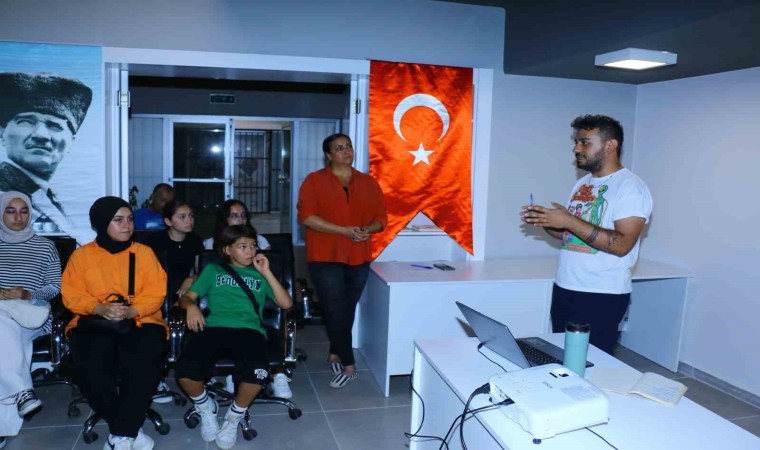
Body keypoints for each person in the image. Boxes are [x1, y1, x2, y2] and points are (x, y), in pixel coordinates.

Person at [520, 115, 652, 354]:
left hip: (601, 294)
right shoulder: (584, 184)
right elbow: (571, 235)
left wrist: (569, 220)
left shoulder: (631, 188)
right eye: (576, 142)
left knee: (593, 363)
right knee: (562, 358)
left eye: (584, 142)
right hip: (566, 287)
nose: (576, 148)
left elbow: (622, 244)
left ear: (610, 145)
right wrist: (547, 221)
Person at [62, 196, 167, 450]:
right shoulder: (82, 256)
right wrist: (98, 308)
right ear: (101, 223)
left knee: (144, 361)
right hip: (93, 322)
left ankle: (120, 435)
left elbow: (156, 292)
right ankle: (129, 431)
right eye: (118, 220)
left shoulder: (143, 253)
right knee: (92, 368)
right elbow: (71, 294)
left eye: (130, 219)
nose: (127, 225)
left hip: (141, 320)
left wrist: (132, 311)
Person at [175, 225, 292, 450]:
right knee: (185, 371)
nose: (250, 251)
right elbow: (187, 297)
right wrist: (190, 306)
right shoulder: (213, 270)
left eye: (253, 246)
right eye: (243, 247)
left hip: (250, 331)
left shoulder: (260, 275)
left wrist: (266, 272)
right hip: (214, 328)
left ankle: (234, 416)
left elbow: (286, 303)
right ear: (227, 250)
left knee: (258, 373)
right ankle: (205, 407)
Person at [297, 133, 387, 388]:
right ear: (328, 155)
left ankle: (335, 352)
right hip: (325, 255)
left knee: (346, 308)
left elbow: (381, 217)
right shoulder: (314, 181)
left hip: (359, 255)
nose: (346, 151)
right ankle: (349, 365)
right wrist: (344, 231)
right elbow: (307, 217)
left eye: (348, 146)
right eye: (339, 148)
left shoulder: (368, 182)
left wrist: (368, 229)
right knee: (334, 307)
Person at [0, 191, 61, 448]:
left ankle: (18, 396)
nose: (18, 217)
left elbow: (55, 287)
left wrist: (27, 293)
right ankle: (21, 394)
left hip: (32, 315)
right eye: (11, 211)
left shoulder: (45, 246)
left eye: (24, 211)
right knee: (3, 330)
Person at [0, 72, 93, 235]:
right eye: (26, 121)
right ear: (2, 133)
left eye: (55, 126)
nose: (41, 135)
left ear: (71, 142)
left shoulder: (53, 198)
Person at [203, 199, 271, 251]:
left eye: (243, 215)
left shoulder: (260, 240)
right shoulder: (211, 243)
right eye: (234, 216)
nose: (240, 219)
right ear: (224, 219)